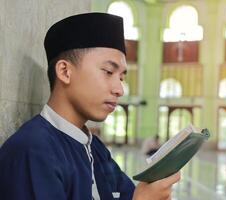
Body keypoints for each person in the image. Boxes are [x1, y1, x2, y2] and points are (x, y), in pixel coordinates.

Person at [0, 13, 180, 200]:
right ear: (65, 71)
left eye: (121, 77)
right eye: (108, 72)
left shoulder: (95, 148)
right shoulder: (31, 152)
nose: (119, 89)